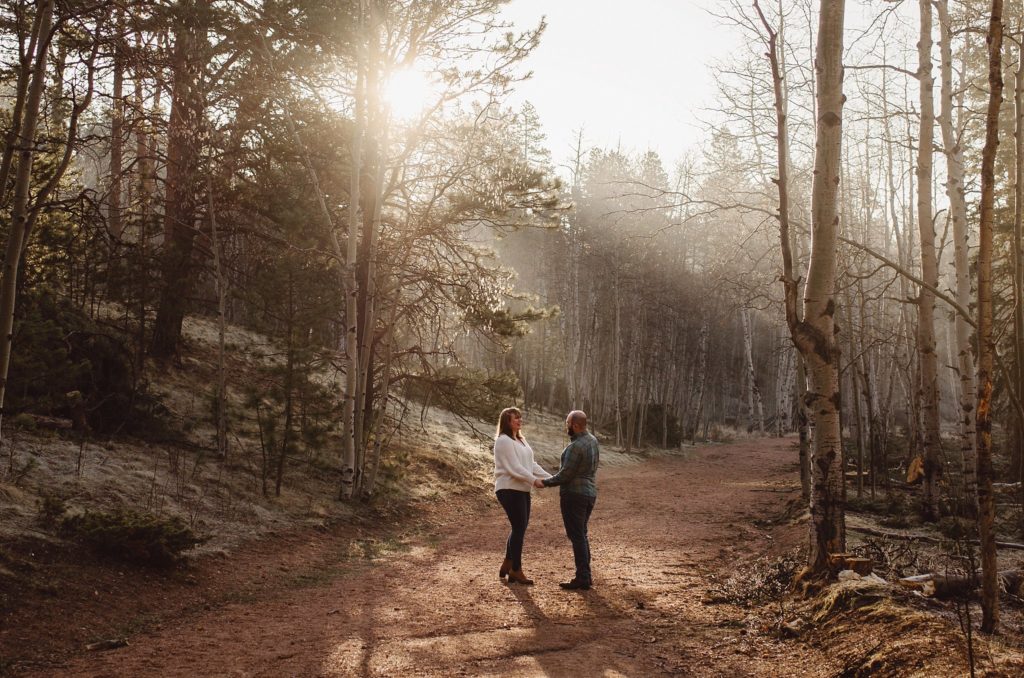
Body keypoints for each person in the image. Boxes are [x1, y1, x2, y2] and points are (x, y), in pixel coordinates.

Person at [534, 410, 599, 590]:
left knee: (577, 536)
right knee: (581, 534)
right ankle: (585, 576)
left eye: (568, 423)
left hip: (574, 495)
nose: (566, 426)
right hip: (589, 493)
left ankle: (583, 577)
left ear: (575, 426)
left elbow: (565, 475)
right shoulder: (593, 440)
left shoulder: (575, 447)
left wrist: (544, 482)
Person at [493, 407, 551, 585]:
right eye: (515, 418)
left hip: (522, 489)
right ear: (507, 421)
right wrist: (534, 481)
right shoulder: (503, 441)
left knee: (520, 527)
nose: (519, 420)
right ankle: (516, 569)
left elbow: (531, 464)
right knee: (519, 527)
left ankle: (508, 563)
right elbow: (514, 467)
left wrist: (551, 478)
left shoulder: (521, 440)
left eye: (520, 417)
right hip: (508, 488)